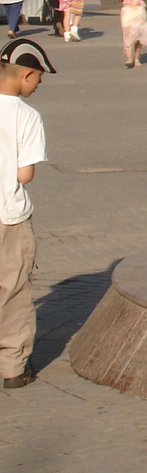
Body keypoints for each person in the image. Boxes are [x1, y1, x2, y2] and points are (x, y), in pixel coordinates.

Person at [0, 37, 53, 389]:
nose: (38, 86)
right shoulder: (27, 116)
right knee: (14, 289)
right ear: (27, 75)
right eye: (38, 80)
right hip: (8, 214)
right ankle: (12, 368)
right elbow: (24, 175)